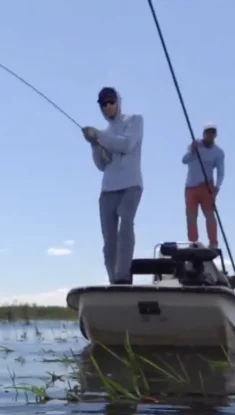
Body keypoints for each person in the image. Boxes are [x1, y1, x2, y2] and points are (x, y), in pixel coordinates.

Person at [82, 86, 144, 285]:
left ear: (118, 101)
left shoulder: (135, 120)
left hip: (131, 185)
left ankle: (123, 277)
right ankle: (113, 281)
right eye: (104, 104)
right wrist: (94, 145)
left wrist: (98, 135)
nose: (108, 107)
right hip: (108, 189)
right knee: (109, 241)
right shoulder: (105, 132)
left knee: (125, 226)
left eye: (111, 102)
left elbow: (126, 144)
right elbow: (102, 164)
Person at [182, 123, 225, 249]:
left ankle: (213, 243)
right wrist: (192, 151)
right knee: (191, 215)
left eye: (212, 133)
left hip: (207, 186)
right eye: (207, 133)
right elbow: (184, 160)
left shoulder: (218, 152)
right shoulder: (195, 145)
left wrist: (217, 187)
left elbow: (221, 171)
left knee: (209, 215)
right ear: (204, 134)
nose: (210, 136)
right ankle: (193, 242)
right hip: (190, 186)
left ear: (215, 135)